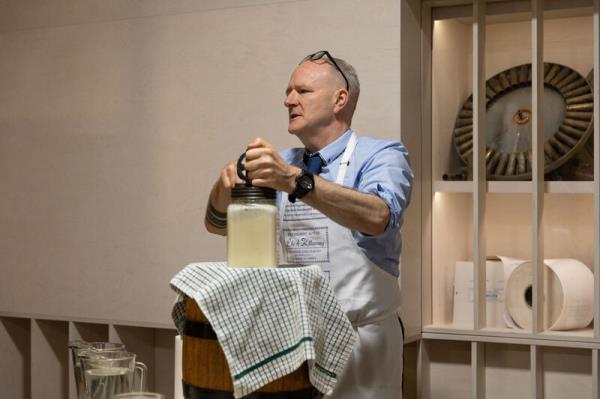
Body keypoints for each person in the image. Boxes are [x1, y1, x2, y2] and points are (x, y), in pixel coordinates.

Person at [204, 50, 413, 399]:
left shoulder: (381, 155)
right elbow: (217, 225)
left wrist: (296, 182)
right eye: (288, 91)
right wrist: (223, 186)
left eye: (302, 91)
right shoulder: (282, 161)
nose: (288, 100)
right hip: (293, 342)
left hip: (361, 345)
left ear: (339, 99)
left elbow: (379, 217)